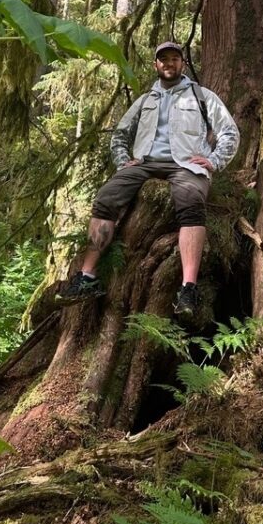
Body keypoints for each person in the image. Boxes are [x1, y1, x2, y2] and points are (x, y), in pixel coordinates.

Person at [56, 41, 240, 318]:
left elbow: (229, 132)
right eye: (163, 59)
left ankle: (188, 288)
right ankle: (86, 277)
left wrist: (214, 161)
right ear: (156, 65)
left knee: (191, 204)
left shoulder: (202, 97)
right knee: (106, 199)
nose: (169, 63)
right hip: (144, 163)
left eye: (174, 59)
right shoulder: (145, 101)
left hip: (186, 165)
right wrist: (122, 161)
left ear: (182, 64)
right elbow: (120, 135)